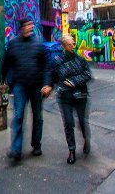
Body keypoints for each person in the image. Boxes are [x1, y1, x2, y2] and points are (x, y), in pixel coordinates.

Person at [0, 19, 49, 163]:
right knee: (19, 116)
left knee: (38, 117)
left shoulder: (38, 42)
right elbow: (6, 63)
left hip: (36, 85)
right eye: (27, 26)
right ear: (21, 28)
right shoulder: (14, 44)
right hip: (20, 85)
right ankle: (16, 150)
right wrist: (4, 81)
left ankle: (36, 145)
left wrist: (46, 84)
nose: (30, 28)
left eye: (31, 26)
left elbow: (45, 66)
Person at [47, 34, 92, 164]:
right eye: (69, 44)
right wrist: (49, 86)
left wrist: (74, 81)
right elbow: (52, 76)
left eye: (73, 43)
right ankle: (71, 150)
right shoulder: (57, 61)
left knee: (82, 122)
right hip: (64, 97)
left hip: (80, 96)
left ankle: (86, 139)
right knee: (68, 122)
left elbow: (88, 75)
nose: (72, 46)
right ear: (63, 46)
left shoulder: (80, 59)